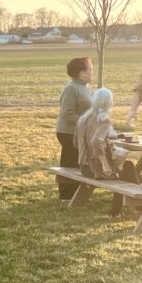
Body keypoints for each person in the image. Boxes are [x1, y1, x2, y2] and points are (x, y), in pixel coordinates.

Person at [55, 57, 93, 200]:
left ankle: (76, 191)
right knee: (69, 162)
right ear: (81, 73)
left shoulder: (84, 87)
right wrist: (85, 122)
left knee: (78, 161)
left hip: (81, 132)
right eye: (90, 69)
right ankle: (65, 194)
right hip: (68, 132)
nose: (92, 72)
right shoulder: (71, 88)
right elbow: (67, 112)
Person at [75, 88, 118, 179]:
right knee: (128, 169)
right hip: (96, 168)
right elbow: (96, 141)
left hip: (83, 167)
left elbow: (75, 142)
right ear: (110, 103)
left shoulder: (83, 118)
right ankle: (141, 193)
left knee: (126, 168)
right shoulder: (104, 120)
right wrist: (105, 164)